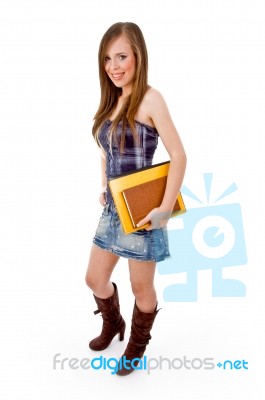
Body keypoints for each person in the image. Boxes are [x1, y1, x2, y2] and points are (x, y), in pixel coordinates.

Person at [85, 22, 186, 376]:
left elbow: (179, 156)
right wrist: (104, 185)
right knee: (94, 279)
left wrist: (163, 209)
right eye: (108, 58)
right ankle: (114, 323)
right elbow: (104, 150)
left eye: (122, 56)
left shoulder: (150, 98)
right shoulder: (113, 99)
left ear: (138, 56)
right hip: (113, 211)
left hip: (144, 213)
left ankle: (137, 346)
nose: (114, 66)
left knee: (140, 287)